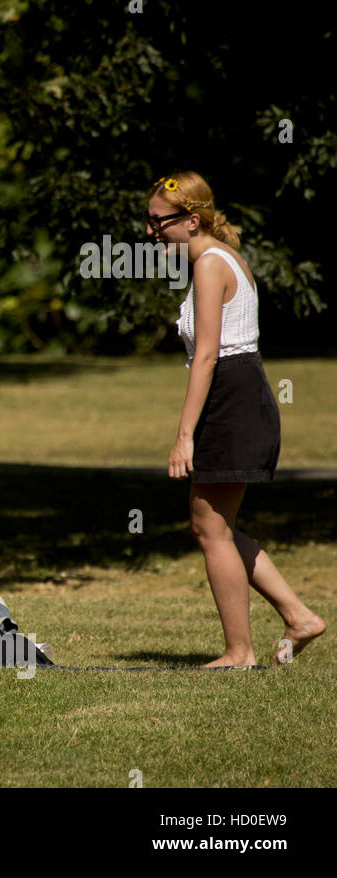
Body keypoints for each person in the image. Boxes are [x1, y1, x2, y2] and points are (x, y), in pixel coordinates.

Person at [149, 171, 324, 666]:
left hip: (234, 396)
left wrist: (184, 437)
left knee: (209, 527)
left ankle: (240, 652)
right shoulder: (224, 259)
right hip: (238, 395)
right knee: (214, 525)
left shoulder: (210, 265)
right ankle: (298, 617)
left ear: (192, 219)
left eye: (158, 221)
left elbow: (206, 356)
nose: (151, 231)